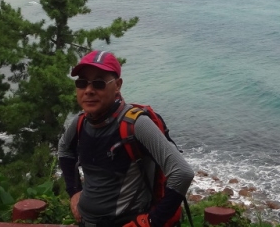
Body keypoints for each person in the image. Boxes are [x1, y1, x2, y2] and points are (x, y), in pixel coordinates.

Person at [58, 50, 195, 227]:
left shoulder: (136, 124)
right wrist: (74, 191)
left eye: (99, 83)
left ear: (117, 85)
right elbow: (64, 149)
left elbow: (182, 172)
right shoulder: (81, 122)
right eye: (82, 83)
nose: (89, 90)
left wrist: (150, 222)